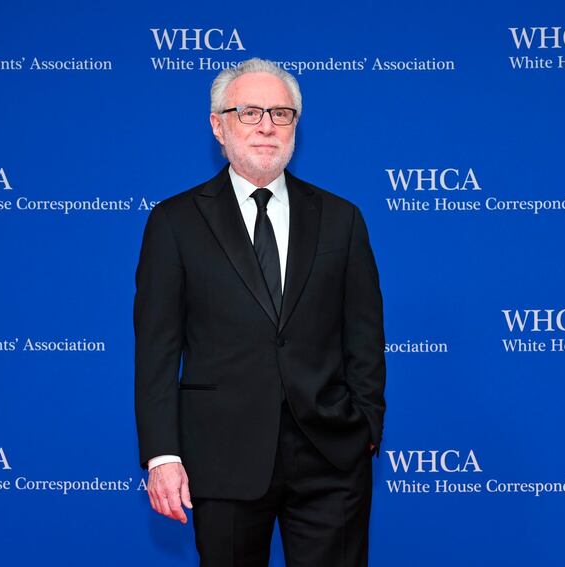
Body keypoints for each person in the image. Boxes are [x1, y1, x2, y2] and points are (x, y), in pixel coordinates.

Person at [134, 57, 385, 566]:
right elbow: (157, 351)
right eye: (249, 112)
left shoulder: (341, 219)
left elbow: (364, 337)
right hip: (221, 456)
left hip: (330, 457)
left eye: (281, 113)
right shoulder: (174, 222)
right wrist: (163, 455)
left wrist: (365, 428)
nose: (267, 125)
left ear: (296, 125)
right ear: (218, 125)